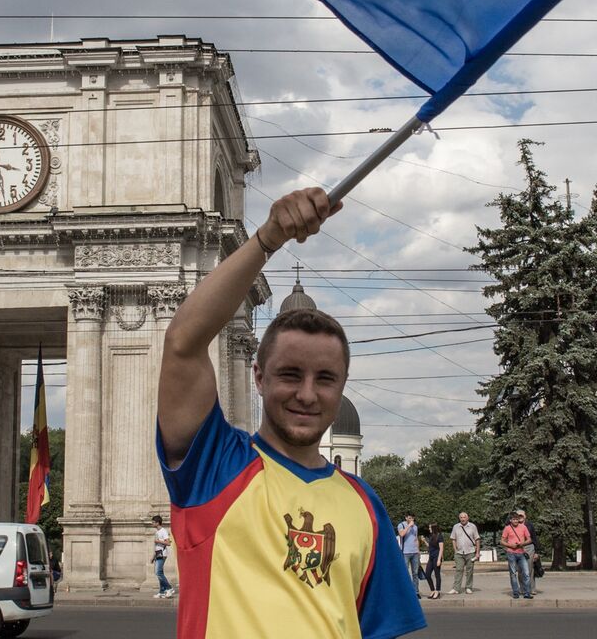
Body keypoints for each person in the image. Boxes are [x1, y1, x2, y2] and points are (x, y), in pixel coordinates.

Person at [155, 187, 424, 639]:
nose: (306, 393)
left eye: (325, 378)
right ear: (258, 377)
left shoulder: (365, 504)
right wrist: (267, 239)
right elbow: (183, 342)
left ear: (341, 390)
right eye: (290, 374)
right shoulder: (215, 466)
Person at [501, 512, 533, 600]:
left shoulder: (523, 527)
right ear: (510, 520)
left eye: (517, 519)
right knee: (513, 573)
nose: (515, 521)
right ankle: (515, 592)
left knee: (526, 573)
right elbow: (502, 541)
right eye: (513, 519)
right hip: (511, 553)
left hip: (521, 553)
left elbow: (529, 539)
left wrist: (522, 543)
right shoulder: (507, 528)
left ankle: (527, 593)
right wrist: (510, 545)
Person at [449, 512, 480, 595]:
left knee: (469, 571)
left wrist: (477, 553)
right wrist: (455, 550)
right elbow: (453, 539)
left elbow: (477, 539)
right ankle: (456, 588)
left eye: (464, 517)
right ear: (459, 518)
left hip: (470, 552)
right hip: (459, 553)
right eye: (461, 517)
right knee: (458, 570)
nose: (463, 519)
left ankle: (468, 587)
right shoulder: (456, 527)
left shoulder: (473, 526)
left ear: (467, 518)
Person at [397, 514, 421, 597]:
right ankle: (405, 592)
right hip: (405, 552)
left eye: (412, 518)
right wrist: (409, 526)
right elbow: (401, 534)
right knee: (405, 573)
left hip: (414, 552)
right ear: (406, 517)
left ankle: (416, 592)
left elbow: (416, 538)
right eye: (409, 518)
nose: (411, 519)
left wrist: (418, 550)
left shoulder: (415, 527)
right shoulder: (401, 525)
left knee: (415, 573)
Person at [152, 514, 174, 598]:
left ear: (158, 523)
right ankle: (161, 591)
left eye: (153, 522)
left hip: (162, 554)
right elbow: (157, 546)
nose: (152, 524)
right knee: (160, 573)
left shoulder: (163, 531)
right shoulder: (157, 532)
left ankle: (169, 588)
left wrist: (158, 540)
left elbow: (168, 543)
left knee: (158, 573)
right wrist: (153, 556)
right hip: (158, 554)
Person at [421, 523, 443, 599]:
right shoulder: (431, 536)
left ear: (434, 528)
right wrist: (424, 541)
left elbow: (441, 549)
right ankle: (432, 590)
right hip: (431, 558)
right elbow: (430, 547)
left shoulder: (439, 536)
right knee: (427, 574)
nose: (429, 529)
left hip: (437, 557)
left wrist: (439, 560)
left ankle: (437, 591)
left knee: (437, 575)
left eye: (430, 527)